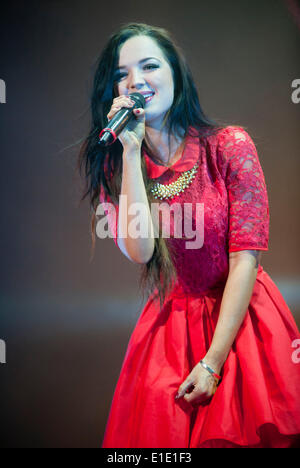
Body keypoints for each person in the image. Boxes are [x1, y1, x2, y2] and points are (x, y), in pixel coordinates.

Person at [78, 22, 300, 448]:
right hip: (170, 331)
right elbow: (141, 251)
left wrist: (213, 362)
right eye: (122, 74)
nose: (136, 81)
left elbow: (245, 258)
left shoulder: (229, 146)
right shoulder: (119, 167)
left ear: (176, 76)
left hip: (241, 320)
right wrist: (128, 151)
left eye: (149, 66)